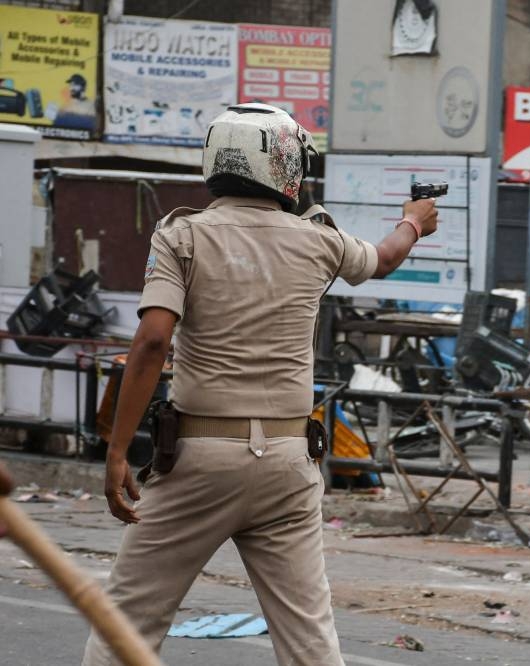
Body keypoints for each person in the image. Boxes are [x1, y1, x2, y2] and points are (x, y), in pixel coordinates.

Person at [82, 102, 438, 665]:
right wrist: (414, 220)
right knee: (309, 640)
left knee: (126, 623)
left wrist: (118, 450)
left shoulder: (182, 237)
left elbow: (152, 342)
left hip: (197, 458)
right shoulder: (319, 241)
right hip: (288, 463)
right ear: (287, 171)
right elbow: (387, 257)